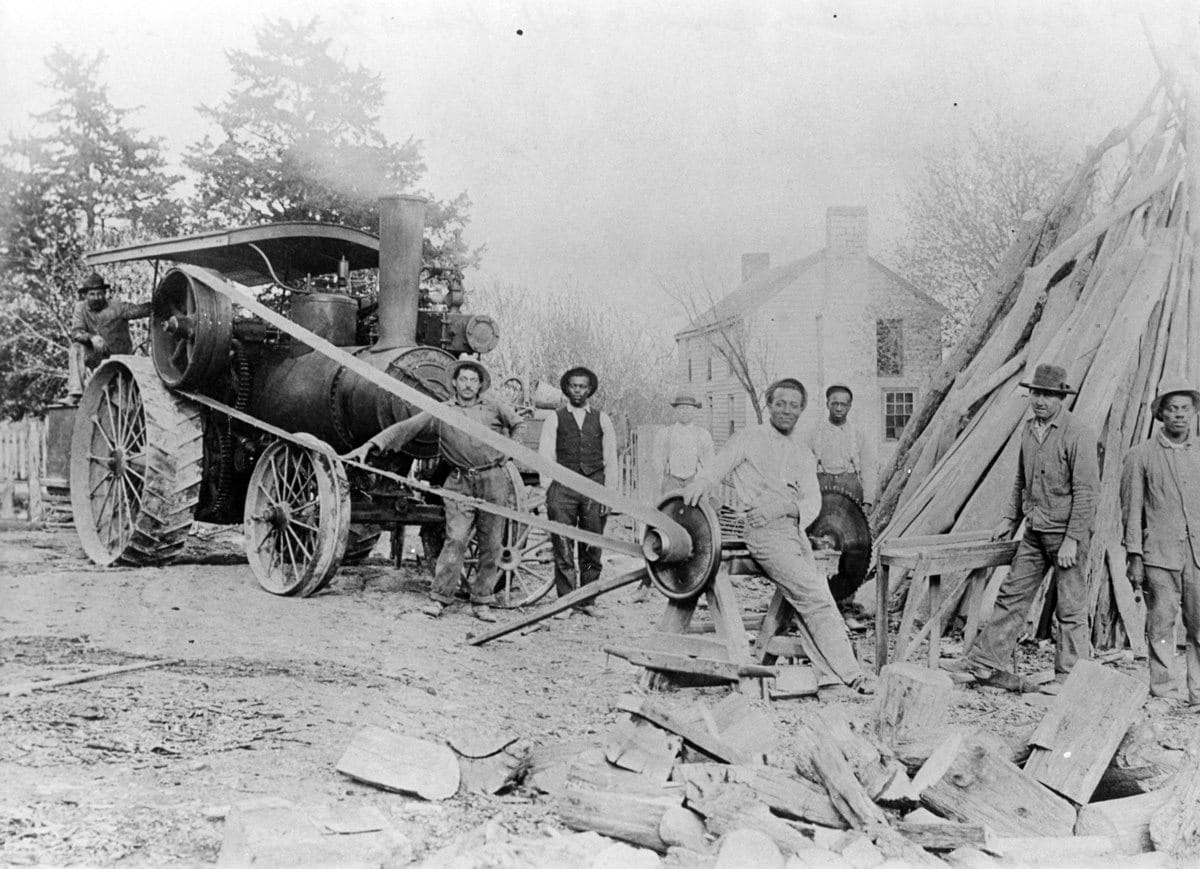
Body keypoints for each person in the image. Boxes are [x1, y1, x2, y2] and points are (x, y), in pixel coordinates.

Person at [681, 377, 872, 696]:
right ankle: (852, 675)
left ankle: (830, 677)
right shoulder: (748, 438)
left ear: (802, 410)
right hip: (762, 533)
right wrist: (696, 488)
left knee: (817, 594)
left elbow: (812, 503)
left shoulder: (802, 451)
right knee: (812, 593)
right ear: (769, 404)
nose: (787, 410)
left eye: (794, 405)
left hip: (793, 532)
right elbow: (714, 470)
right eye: (780, 403)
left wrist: (785, 507)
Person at [952, 363, 1099, 691]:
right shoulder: (1030, 430)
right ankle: (984, 663)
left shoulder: (1078, 433)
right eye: (1036, 393)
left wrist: (1073, 540)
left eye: (1048, 394)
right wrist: (1010, 519)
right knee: (1012, 595)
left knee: (1071, 607)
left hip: (1066, 534)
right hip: (1034, 531)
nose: (1040, 401)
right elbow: (1022, 478)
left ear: (1061, 397)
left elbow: (1087, 493)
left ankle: (1070, 679)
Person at [344, 359, 523, 623]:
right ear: (454, 382)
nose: (468, 385)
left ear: (480, 384)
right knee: (456, 539)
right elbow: (407, 428)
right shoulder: (442, 411)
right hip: (459, 483)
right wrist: (373, 445)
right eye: (463, 380)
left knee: (491, 544)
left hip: (493, 481)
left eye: (473, 380)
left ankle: (482, 601)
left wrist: (512, 451)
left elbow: (519, 424)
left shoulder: (494, 407)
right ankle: (440, 599)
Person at [1120, 378, 1200, 711]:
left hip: (1197, 557)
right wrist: (1135, 555)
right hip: (1159, 558)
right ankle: (1164, 691)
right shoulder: (1140, 456)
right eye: (1172, 409)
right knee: (1161, 623)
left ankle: (1198, 693)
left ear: (1194, 413)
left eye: (1185, 409)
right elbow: (1131, 508)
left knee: (1198, 624)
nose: (1179, 415)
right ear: (1160, 414)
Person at [538, 365, 618, 613]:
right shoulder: (555, 418)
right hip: (563, 488)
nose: (578, 391)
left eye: (583, 386)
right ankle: (566, 601)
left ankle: (588, 600)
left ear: (590, 389)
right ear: (567, 388)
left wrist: (608, 494)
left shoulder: (602, 419)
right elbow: (545, 455)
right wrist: (550, 488)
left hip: (593, 488)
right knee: (562, 546)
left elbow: (611, 459)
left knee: (592, 546)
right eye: (574, 386)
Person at [66, 272, 152, 401]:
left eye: (100, 293)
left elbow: (140, 310)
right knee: (76, 347)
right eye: (92, 294)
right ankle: (75, 393)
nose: (96, 297)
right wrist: (91, 337)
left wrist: (157, 303)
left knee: (120, 400)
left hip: (118, 356)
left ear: (105, 294)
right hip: (95, 355)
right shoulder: (80, 308)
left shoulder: (117, 307)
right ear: (85, 295)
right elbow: (76, 333)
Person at [809, 384, 876, 512]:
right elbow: (805, 472)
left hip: (851, 495)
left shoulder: (858, 434)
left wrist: (868, 501)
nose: (839, 408)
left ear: (849, 406)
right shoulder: (815, 434)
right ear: (827, 404)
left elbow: (869, 469)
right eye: (834, 403)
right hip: (821, 496)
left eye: (843, 404)